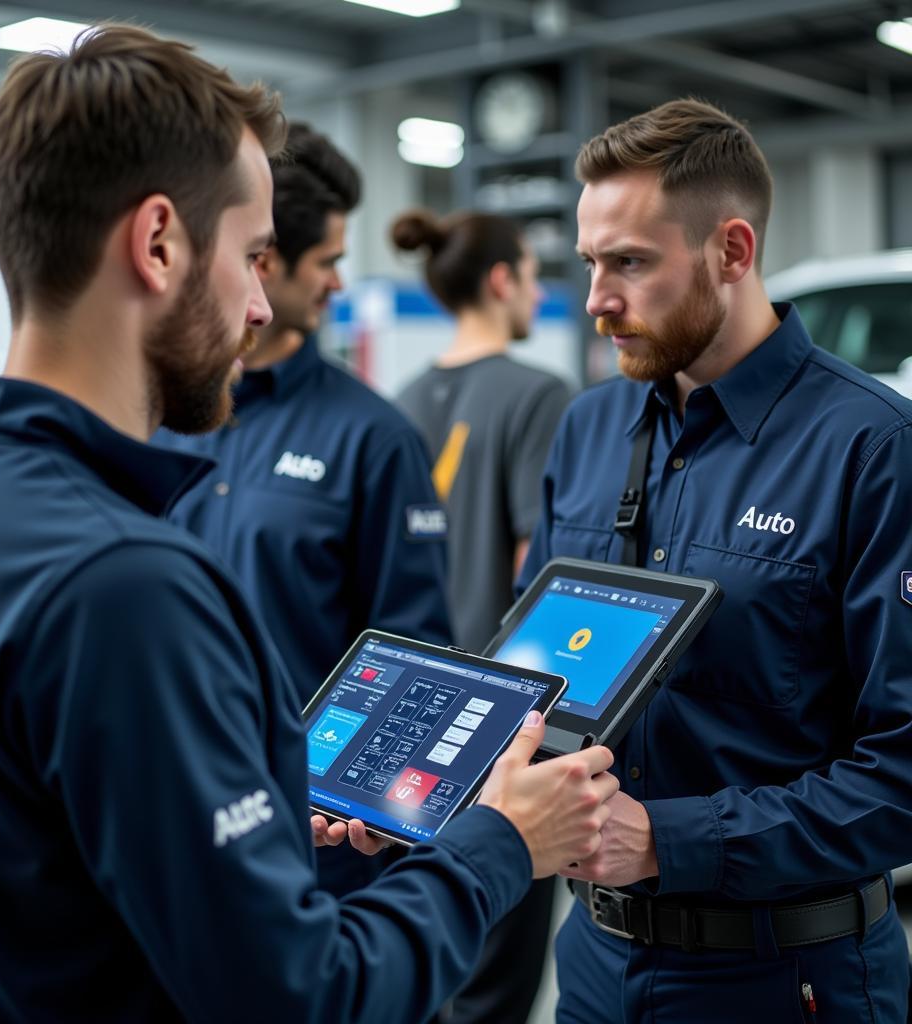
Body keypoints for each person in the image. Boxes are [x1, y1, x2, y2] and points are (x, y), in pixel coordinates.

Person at [0, 24, 621, 1023]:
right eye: (250, 255)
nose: (255, 306)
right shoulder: (126, 583)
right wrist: (496, 842)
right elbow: (305, 996)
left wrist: (260, 802)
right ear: (157, 244)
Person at [522, 97, 912, 1023]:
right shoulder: (587, 430)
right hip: (593, 965)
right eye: (589, 264)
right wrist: (410, 793)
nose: (596, 301)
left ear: (732, 252)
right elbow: (531, 682)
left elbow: (904, 769)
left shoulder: (872, 448)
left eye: (630, 263)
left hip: (786, 980)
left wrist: (668, 838)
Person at [158, 122, 451, 898]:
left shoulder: (375, 437)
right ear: (265, 261)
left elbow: (414, 656)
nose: (336, 284)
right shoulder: (162, 418)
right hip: (174, 822)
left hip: (320, 852)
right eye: (327, 263)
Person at [391, 208, 572, 1024]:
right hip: (497, 733)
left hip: (404, 722)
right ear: (502, 282)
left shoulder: (397, 404)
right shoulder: (538, 395)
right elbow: (535, 571)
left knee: (421, 961)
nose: (539, 290)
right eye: (534, 273)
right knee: (495, 989)